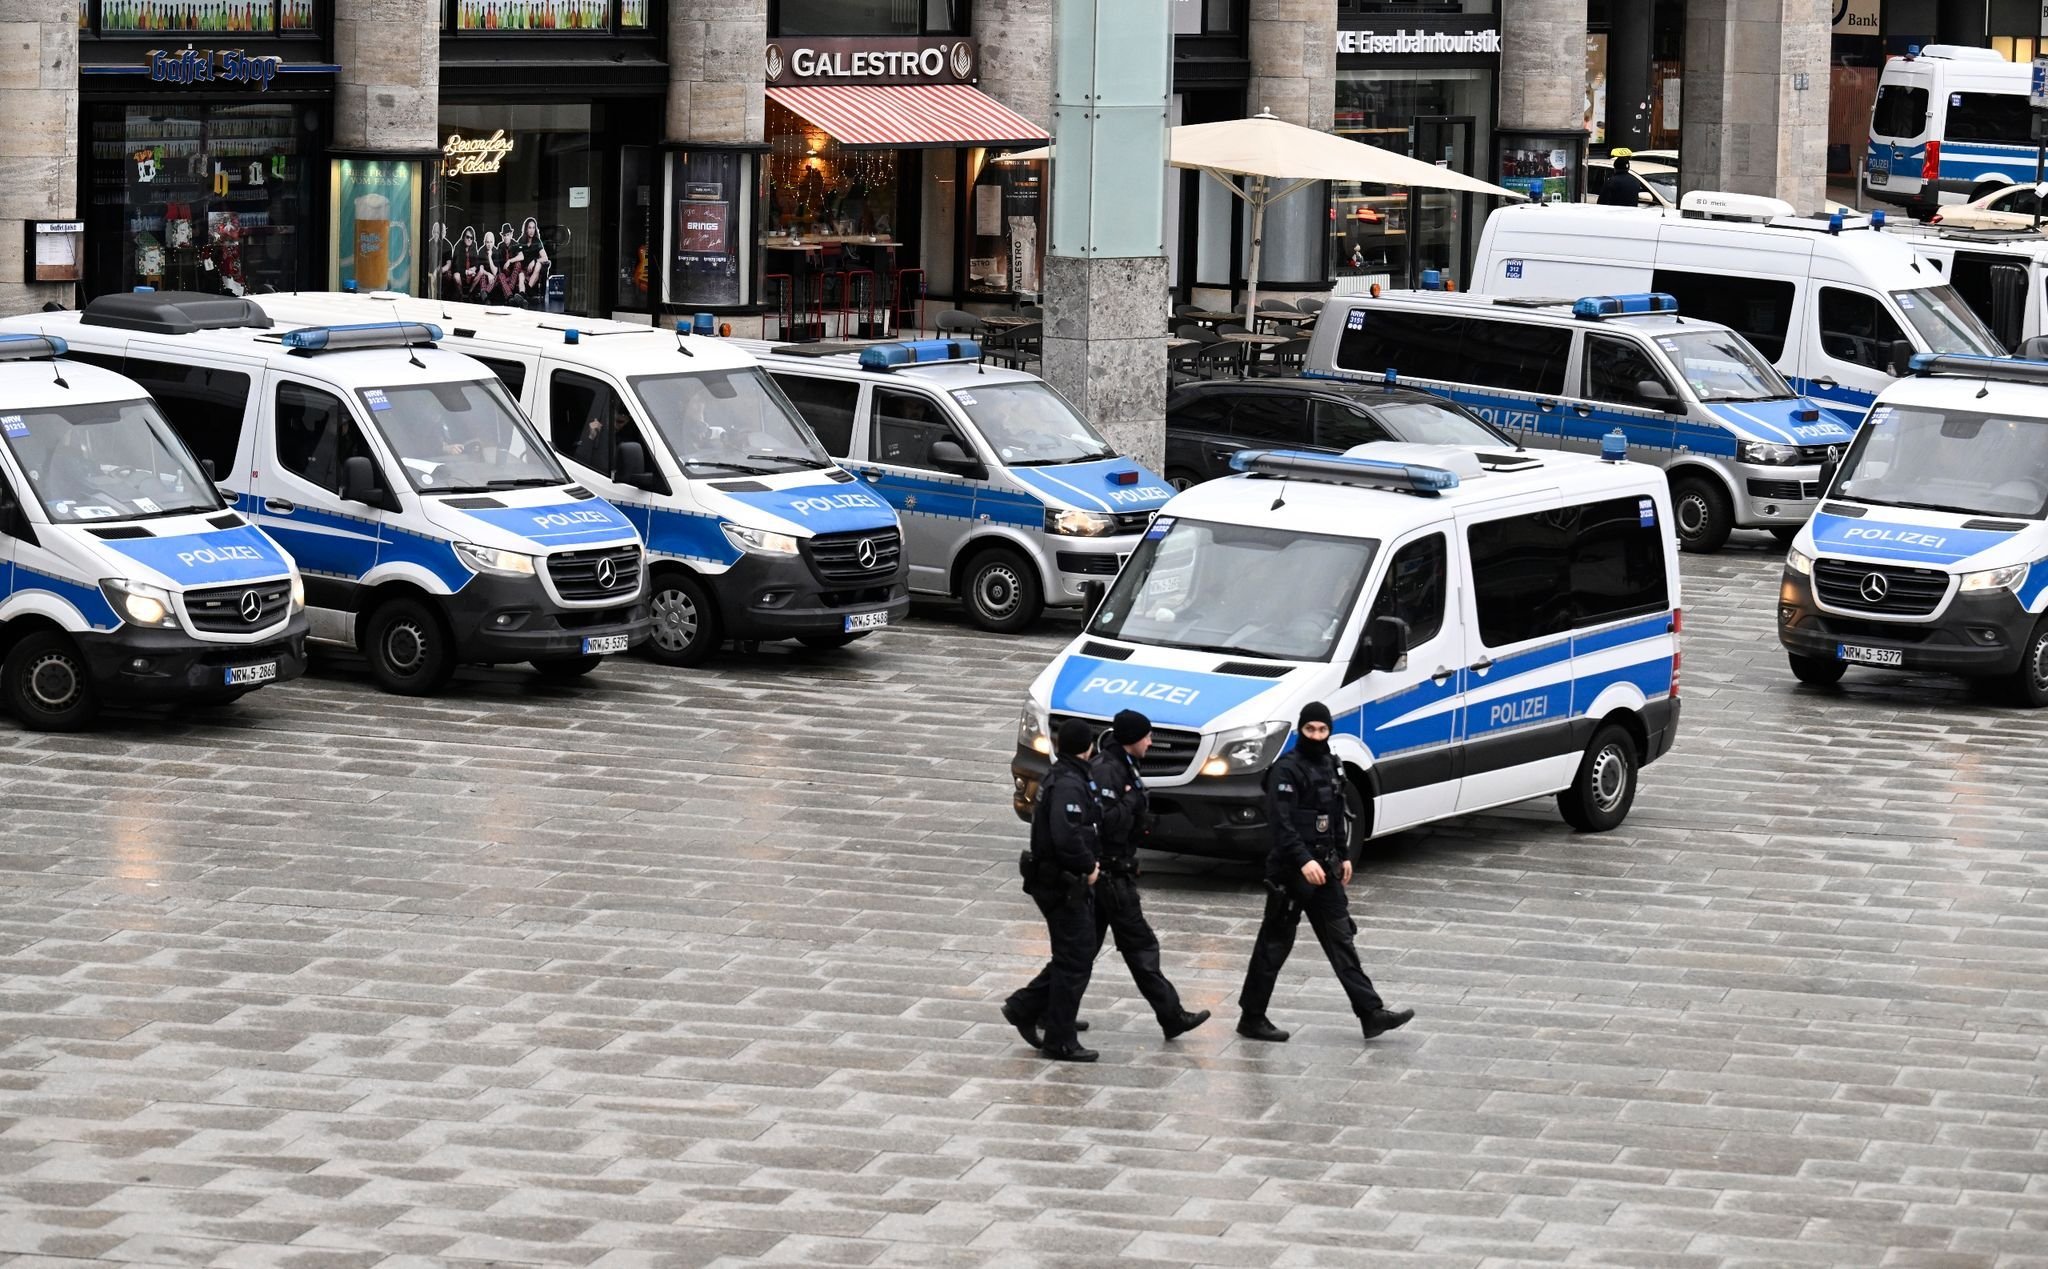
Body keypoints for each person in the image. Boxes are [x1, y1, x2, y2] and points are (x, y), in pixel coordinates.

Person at [1236, 702, 1413, 1045]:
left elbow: (1335, 814)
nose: (1316, 736)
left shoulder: (1332, 765)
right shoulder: (1286, 770)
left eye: (1322, 730)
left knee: (1341, 940)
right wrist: (1303, 861)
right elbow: (1281, 824)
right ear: (1300, 731)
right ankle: (1252, 1017)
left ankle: (1371, 1013)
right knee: (1274, 946)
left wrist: (1343, 855)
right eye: (1310, 730)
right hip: (1292, 873)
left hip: (1325, 871)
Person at [1091, 710, 1210, 1041]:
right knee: (1140, 945)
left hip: (1116, 870)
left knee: (1084, 949)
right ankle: (1172, 1016)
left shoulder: (1123, 764)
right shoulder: (1108, 770)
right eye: (1147, 736)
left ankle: (1036, 1007)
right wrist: (1131, 801)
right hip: (1111, 874)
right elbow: (1108, 819)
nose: (1151, 741)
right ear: (1132, 739)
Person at [1002, 719, 1105, 1062]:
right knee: (1075, 959)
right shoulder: (1069, 784)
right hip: (1061, 882)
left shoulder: (1064, 775)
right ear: (1087, 748)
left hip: (1056, 880)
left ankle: (1032, 1009)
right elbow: (1066, 837)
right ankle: (1057, 1037)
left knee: (1074, 955)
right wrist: (1088, 868)